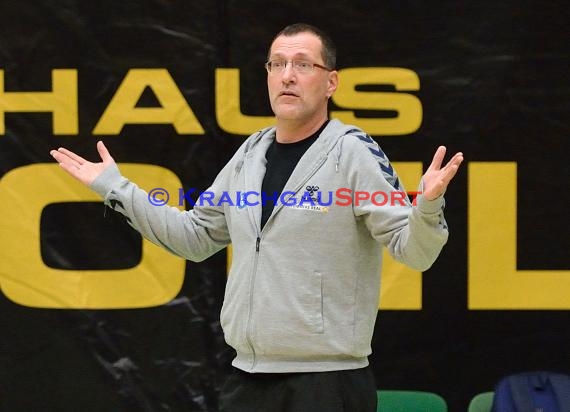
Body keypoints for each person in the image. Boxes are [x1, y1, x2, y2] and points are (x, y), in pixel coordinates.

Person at [50, 23, 463, 412]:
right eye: (277, 64)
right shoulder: (251, 154)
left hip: (325, 382)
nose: (287, 76)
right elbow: (194, 237)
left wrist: (426, 206)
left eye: (303, 64)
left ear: (331, 82)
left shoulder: (352, 152)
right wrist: (115, 187)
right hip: (247, 378)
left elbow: (415, 254)